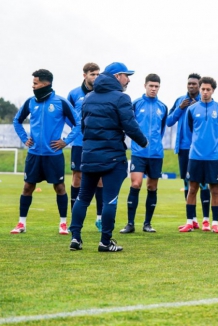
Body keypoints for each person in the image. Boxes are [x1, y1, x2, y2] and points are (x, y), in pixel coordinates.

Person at [69, 62, 148, 252]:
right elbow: (130, 125)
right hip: (112, 158)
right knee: (109, 200)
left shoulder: (88, 98)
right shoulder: (122, 98)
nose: (128, 80)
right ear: (116, 76)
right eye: (126, 75)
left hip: (88, 156)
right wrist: (143, 142)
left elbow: (84, 126)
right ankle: (105, 242)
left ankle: (75, 239)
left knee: (82, 198)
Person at [11, 69, 81, 235]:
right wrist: (24, 138)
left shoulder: (61, 102)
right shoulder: (30, 102)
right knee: (27, 187)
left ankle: (63, 224)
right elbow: (17, 121)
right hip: (34, 154)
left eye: (35, 83)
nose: (33, 86)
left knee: (60, 187)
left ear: (45, 84)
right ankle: (21, 224)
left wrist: (66, 141)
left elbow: (78, 123)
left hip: (54, 155)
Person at [119, 74, 168, 234]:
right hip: (139, 152)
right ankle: (130, 223)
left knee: (152, 187)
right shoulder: (135, 104)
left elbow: (161, 130)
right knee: (135, 184)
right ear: (145, 86)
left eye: (156, 86)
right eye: (151, 86)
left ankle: (147, 223)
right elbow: (129, 125)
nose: (153, 89)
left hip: (155, 154)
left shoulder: (162, 107)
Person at [179, 77, 218, 233]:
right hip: (195, 156)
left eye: (208, 89)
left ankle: (214, 223)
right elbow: (188, 131)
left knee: (215, 190)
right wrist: (198, 144)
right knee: (192, 189)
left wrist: (213, 143)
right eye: (203, 89)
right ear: (199, 90)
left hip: (213, 156)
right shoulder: (192, 109)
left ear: (213, 90)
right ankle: (189, 222)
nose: (205, 92)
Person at [167, 74, 212, 229]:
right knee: (187, 184)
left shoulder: (205, 102)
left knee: (204, 183)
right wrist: (180, 109)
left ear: (199, 86)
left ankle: (206, 219)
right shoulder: (180, 101)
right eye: (189, 84)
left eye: (194, 84)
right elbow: (169, 121)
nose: (191, 86)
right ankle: (192, 220)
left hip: (201, 150)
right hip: (184, 148)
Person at [67, 63, 104, 231]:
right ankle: (74, 219)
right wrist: (77, 130)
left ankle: (100, 218)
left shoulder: (102, 93)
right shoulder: (74, 94)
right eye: (92, 74)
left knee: (101, 179)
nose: (96, 77)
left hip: (97, 142)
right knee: (77, 177)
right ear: (85, 75)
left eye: (98, 74)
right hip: (79, 143)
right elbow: (67, 115)